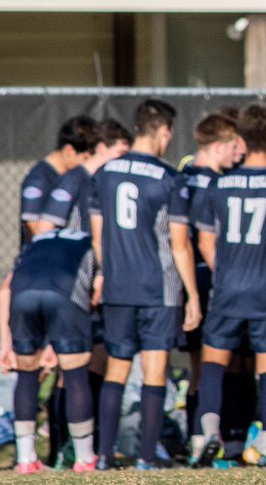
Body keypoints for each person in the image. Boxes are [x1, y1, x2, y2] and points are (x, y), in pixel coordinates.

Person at [90, 99, 201, 470]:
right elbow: (180, 245)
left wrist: (108, 273)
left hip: (119, 287)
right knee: (155, 370)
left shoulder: (103, 174)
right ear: (164, 131)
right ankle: (146, 456)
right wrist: (194, 296)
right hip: (159, 288)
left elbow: (97, 237)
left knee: (116, 370)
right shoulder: (170, 178)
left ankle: (104, 455)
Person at [189, 104, 266, 467]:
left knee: (214, 362)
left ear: (241, 140)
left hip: (228, 288)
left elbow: (204, 240)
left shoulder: (218, 185)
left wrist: (227, 270)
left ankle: (206, 432)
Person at [1, 230, 101, 473]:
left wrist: (7, 344)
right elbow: (97, 292)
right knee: (76, 375)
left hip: (21, 296)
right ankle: (84, 458)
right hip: (65, 295)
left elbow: (5, 289)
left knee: (26, 375)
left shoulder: (35, 241)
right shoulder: (92, 242)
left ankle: (25, 459)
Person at [180, 113, 241, 444]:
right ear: (219, 147)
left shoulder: (182, 176)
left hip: (183, 278)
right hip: (207, 279)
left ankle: (195, 437)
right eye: (232, 146)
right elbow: (208, 240)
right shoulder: (214, 185)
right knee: (214, 361)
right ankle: (207, 435)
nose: (236, 154)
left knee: (196, 365)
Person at [38, 119, 132, 234]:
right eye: (121, 153)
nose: (124, 161)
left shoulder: (102, 181)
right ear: (101, 148)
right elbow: (45, 228)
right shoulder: (74, 179)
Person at [18, 116, 98, 249]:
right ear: (69, 151)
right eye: (85, 158)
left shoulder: (72, 178)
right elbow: (35, 230)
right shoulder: (38, 179)